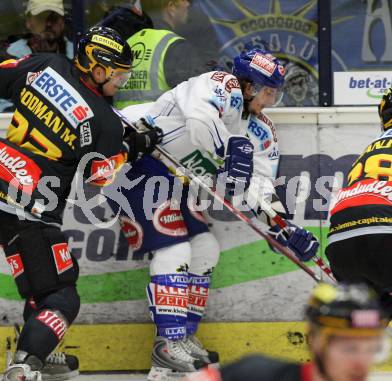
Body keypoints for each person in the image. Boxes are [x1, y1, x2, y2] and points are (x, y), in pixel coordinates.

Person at [113, 48, 319, 381]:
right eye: (267, 91)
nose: (269, 100)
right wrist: (228, 148)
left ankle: (182, 337)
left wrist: (282, 227)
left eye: (275, 94)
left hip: (171, 176)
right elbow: (199, 120)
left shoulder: (262, 131)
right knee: (175, 249)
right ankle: (167, 347)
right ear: (249, 85)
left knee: (206, 247)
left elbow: (259, 186)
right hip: (135, 158)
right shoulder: (220, 83)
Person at [0, 26, 161, 381]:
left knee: (39, 284)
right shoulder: (104, 121)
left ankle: (40, 350)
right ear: (98, 67)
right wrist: (133, 146)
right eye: (118, 73)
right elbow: (99, 177)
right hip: (27, 201)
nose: (121, 80)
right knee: (61, 294)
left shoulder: (46, 63)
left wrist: (5, 61)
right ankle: (26, 364)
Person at [180, 282, 389, 381]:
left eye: (371, 348)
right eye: (349, 348)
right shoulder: (255, 375)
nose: (361, 362)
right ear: (314, 340)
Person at [326, 87, 392, 319]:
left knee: (369, 321)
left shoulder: (369, 149)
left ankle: (348, 352)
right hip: (385, 233)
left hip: (340, 243)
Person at [0, 0, 74, 113]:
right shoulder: (10, 56)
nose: (48, 24)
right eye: (42, 17)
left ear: (62, 22)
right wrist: (18, 113)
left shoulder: (78, 56)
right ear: (28, 22)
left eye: (54, 18)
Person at [112, 0, 207, 109]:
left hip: (123, 123)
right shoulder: (176, 47)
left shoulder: (127, 44)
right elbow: (198, 100)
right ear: (171, 7)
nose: (187, 4)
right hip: (159, 124)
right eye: (183, 0)